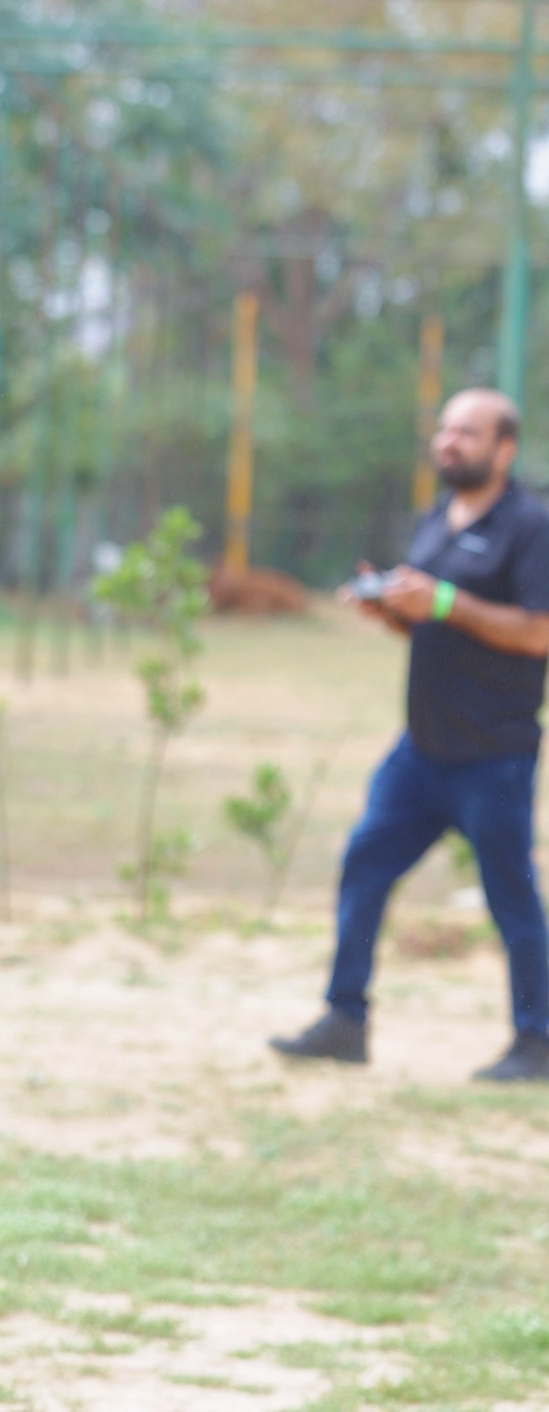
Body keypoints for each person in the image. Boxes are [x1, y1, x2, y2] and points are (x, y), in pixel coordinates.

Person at [272, 388, 549, 1081]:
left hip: (494, 754)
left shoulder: (531, 526)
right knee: (364, 864)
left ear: (505, 449)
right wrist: (392, 610)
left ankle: (537, 1040)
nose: (449, 442)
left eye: (468, 432)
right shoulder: (437, 519)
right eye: (445, 429)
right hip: (422, 751)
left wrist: (445, 601)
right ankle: (345, 1020)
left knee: (511, 898)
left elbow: (538, 631)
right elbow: (431, 620)